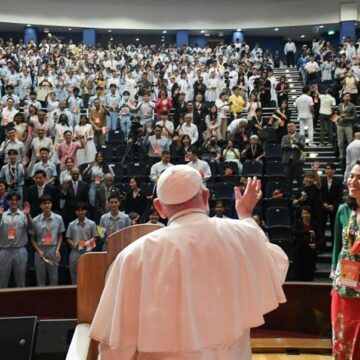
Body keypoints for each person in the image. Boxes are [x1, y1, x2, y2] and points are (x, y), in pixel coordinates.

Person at [90, 165, 288, 359]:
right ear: (205, 196)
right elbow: (275, 264)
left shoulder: (133, 257)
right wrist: (245, 214)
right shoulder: (240, 235)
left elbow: (117, 345)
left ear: (159, 207)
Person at [330, 161, 360, 360]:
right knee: (342, 331)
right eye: (351, 176)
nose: (353, 181)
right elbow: (337, 245)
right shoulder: (343, 210)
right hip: (344, 280)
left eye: (359, 178)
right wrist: (333, 270)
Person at [30, 194, 65, 286]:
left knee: (54, 277)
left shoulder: (58, 218)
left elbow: (60, 235)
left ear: (51, 204)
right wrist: (38, 251)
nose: (46, 206)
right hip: (40, 250)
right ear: (40, 206)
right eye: (44, 204)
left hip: (53, 249)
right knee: (40, 277)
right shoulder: (35, 220)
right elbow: (32, 239)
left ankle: (54, 299)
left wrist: (57, 250)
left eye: (48, 203)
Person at [0, 192, 32, 288]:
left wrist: (28, 215)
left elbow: (30, 227)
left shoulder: (24, 214)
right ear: (7, 201)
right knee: (2, 280)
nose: (13, 202)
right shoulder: (3, 214)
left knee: (21, 280)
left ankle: (21, 302)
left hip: (20, 250)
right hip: (5, 250)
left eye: (16, 200)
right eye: (11, 200)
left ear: (18, 201)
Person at [66, 203, 98, 284]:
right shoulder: (71, 224)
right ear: (75, 212)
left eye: (82, 210)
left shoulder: (92, 223)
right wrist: (73, 244)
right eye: (78, 211)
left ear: (85, 211)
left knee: (88, 275)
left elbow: (95, 237)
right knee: (74, 275)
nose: (80, 212)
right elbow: (68, 238)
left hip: (87, 251)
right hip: (75, 252)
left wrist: (87, 243)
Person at [293, 206, 323, 281]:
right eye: (303, 213)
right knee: (299, 274)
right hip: (300, 252)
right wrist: (307, 232)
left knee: (309, 275)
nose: (305, 215)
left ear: (310, 214)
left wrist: (315, 245)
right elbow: (294, 232)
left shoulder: (315, 224)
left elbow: (321, 238)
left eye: (307, 213)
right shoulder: (297, 223)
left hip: (310, 252)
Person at [321, 163, 343, 245]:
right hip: (323, 206)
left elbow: (340, 195)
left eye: (331, 169)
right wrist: (324, 203)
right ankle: (322, 245)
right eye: (327, 168)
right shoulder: (321, 180)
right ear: (325, 170)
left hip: (334, 207)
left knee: (334, 227)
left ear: (334, 170)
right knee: (321, 226)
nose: (329, 170)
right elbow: (319, 194)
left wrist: (333, 205)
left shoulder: (338, 181)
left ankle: (335, 245)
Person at [281, 122, 306, 187]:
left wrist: (295, 140)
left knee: (300, 180)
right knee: (288, 181)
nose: (290, 128)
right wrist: (293, 146)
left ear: (295, 127)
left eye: (291, 126)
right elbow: (283, 146)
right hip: (287, 161)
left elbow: (302, 145)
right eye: (288, 127)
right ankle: (289, 196)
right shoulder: (284, 137)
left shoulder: (301, 136)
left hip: (298, 161)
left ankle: (301, 195)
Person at [336, 93, 356, 165]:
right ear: (343, 97)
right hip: (340, 125)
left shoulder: (352, 106)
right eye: (345, 96)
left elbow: (354, 117)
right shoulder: (340, 105)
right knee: (340, 142)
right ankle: (341, 157)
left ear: (350, 98)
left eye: (348, 96)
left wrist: (346, 118)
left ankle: (351, 157)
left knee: (350, 142)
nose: (347, 97)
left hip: (348, 126)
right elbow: (337, 114)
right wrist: (337, 121)